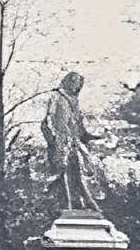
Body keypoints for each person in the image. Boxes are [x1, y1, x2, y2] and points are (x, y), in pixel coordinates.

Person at [41, 70, 106, 214]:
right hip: (60, 142)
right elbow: (48, 120)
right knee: (63, 173)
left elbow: (80, 128)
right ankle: (68, 206)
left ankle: (82, 203)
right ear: (69, 82)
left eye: (80, 85)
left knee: (79, 171)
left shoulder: (74, 101)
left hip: (73, 143)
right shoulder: (57, 97)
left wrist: (93, 137)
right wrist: (55, 140)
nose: (78, 87)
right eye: (76, 83)